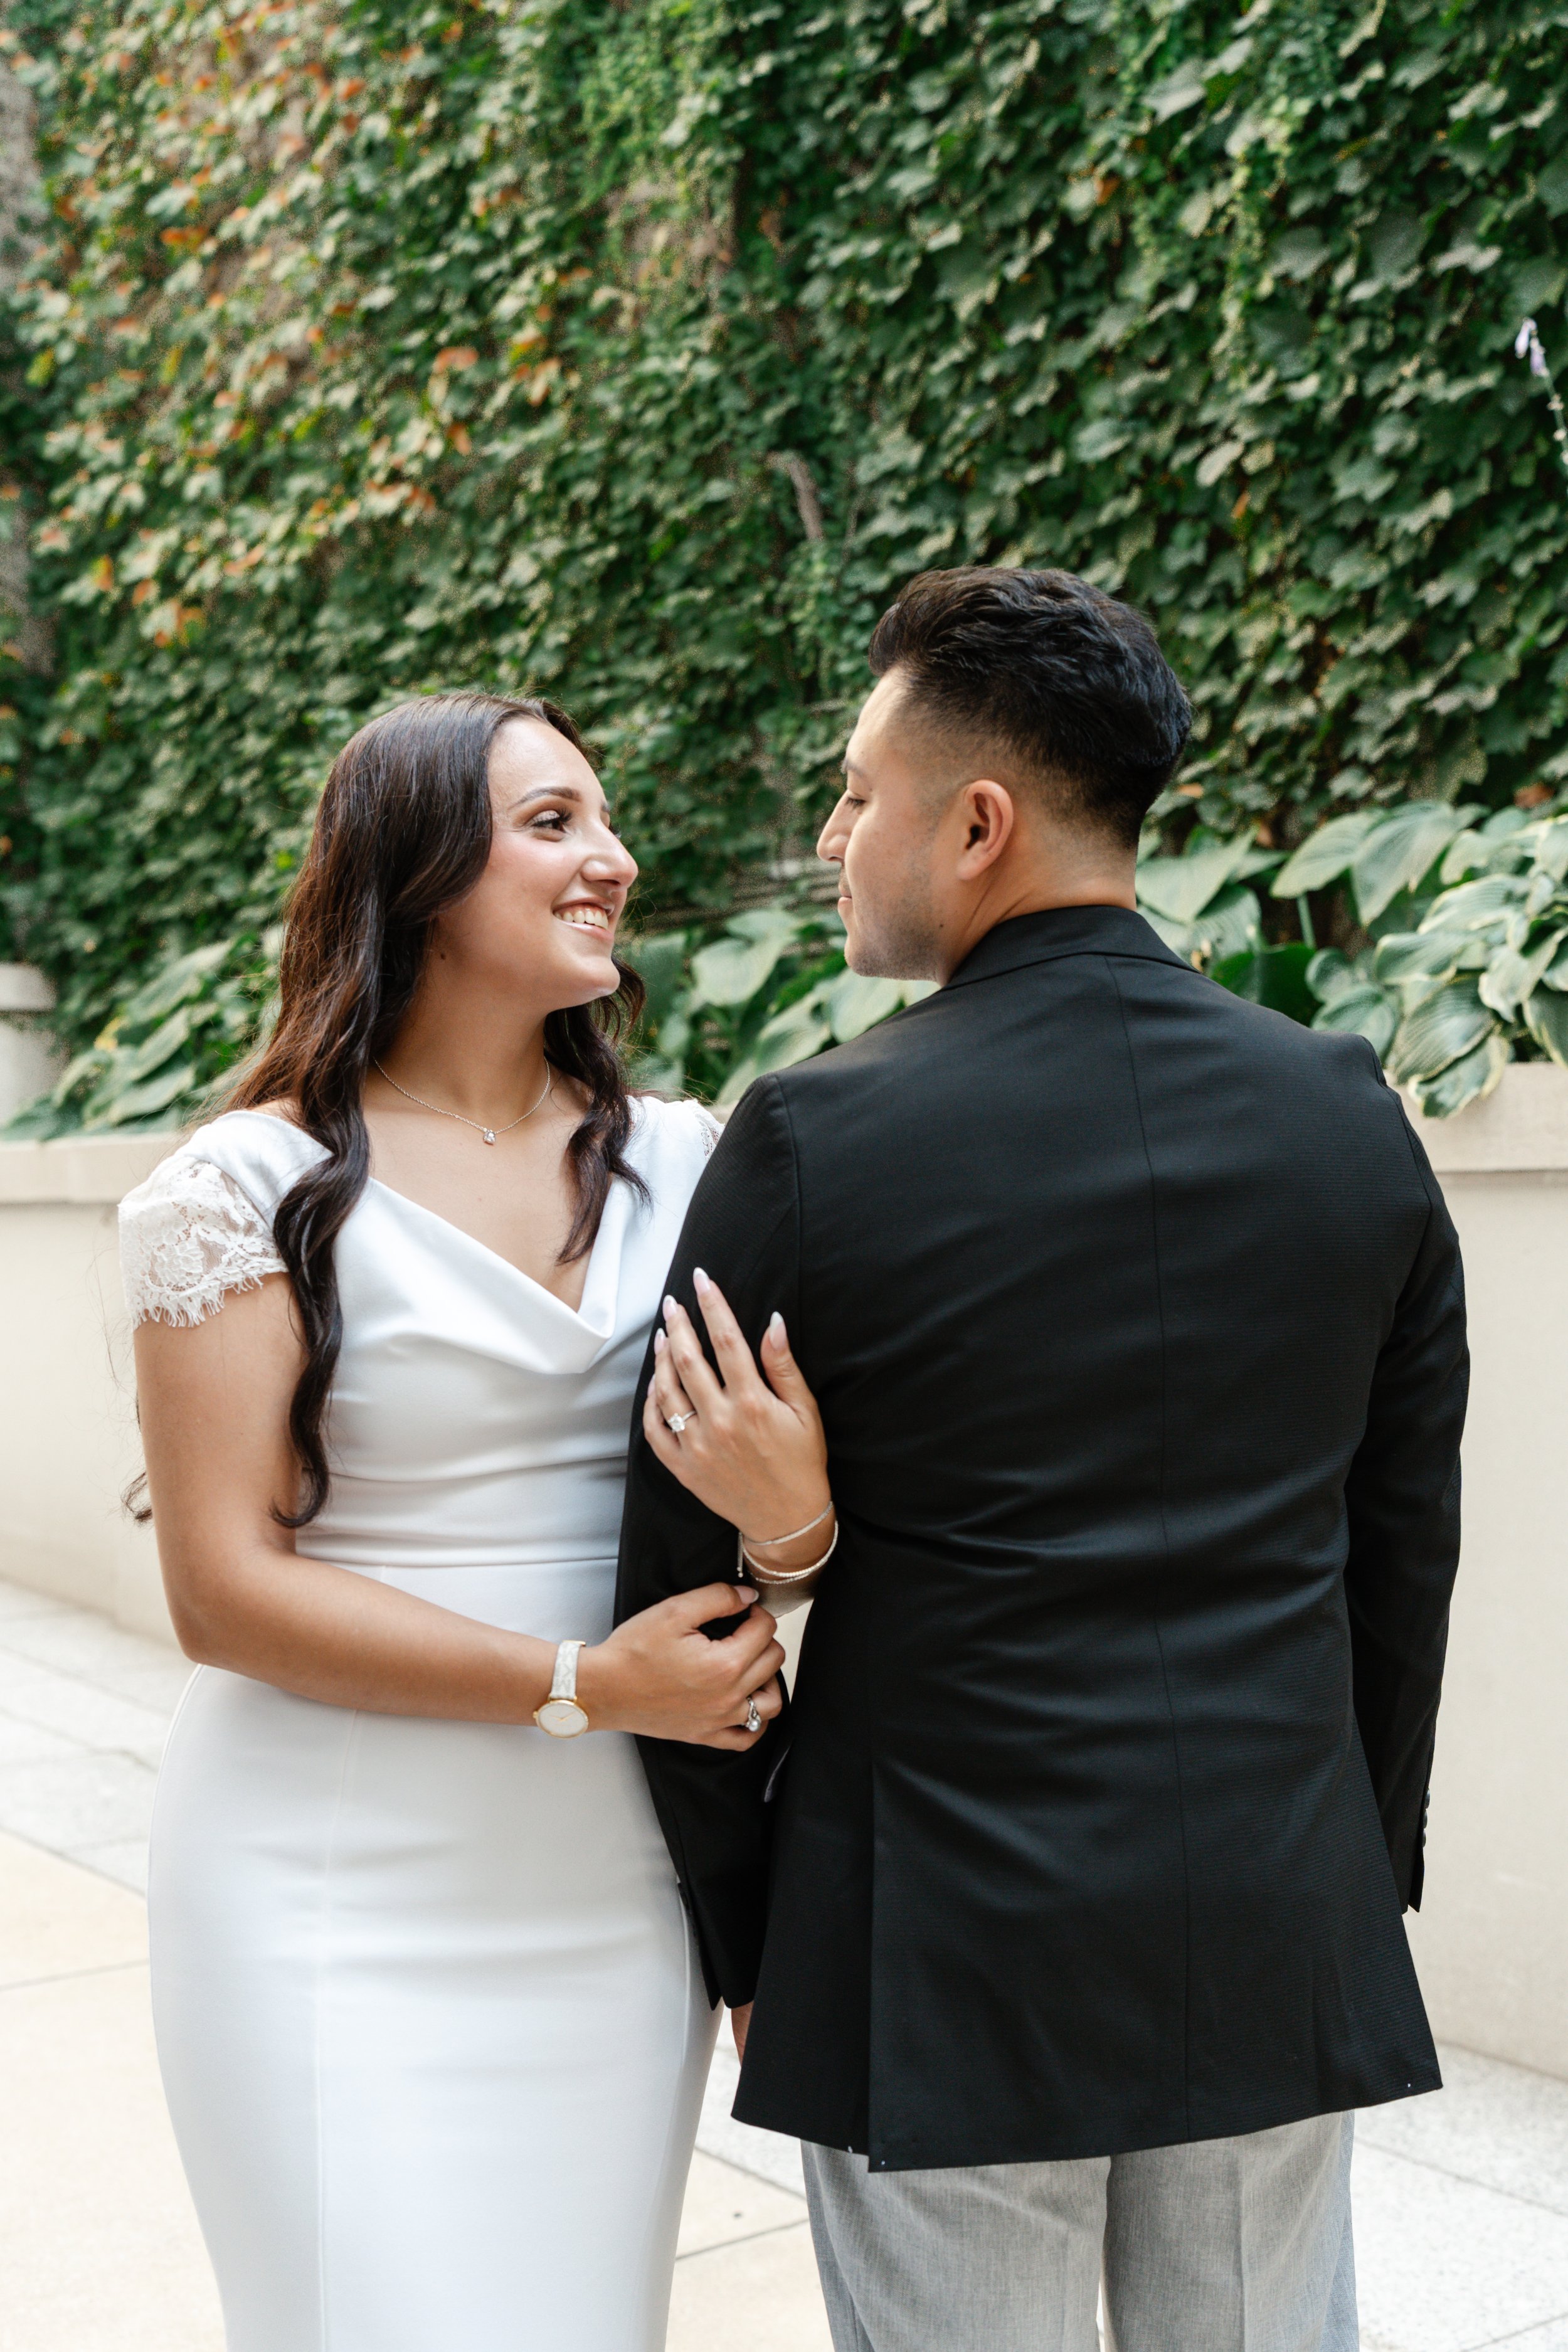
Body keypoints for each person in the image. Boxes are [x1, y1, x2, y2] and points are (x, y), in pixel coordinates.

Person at [614, 568, 1468, 2352]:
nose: (834, 837)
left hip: (931, 1935)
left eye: (856, 794)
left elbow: (679, 1599)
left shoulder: (814, 1141)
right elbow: (1400, 1554)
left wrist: (753, 1942)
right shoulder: (1346, 1117)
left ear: (978, 821)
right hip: (1264, 1903)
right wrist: (1340, 1878)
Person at [119, 691, 804, 2352]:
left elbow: (778, 1499)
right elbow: (221, 1590)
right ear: (416, 869)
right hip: (323, 1885)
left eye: (605, 820)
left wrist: (788, 1550)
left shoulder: (694, 1164)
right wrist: (585, 1681)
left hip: (614, 1891)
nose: (612, 860)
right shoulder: (244, 1191)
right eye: (553, 822)